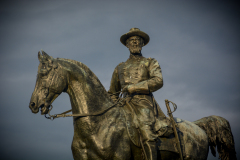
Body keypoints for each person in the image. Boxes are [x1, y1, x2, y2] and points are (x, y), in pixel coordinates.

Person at [108, 28, 171, 160]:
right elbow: (112, 93)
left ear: (142, 44)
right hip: (123, 104)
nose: (135, 43)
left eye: (138, 41)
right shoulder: (119, 67)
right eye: (132, 41)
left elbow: (158, 81)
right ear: (127, 45)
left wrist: (134, 87)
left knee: (146, 131)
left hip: (144, 104)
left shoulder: (150, 62)